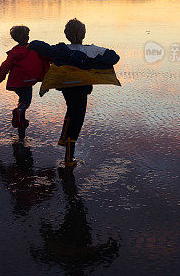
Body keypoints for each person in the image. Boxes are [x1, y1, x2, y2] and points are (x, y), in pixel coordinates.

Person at [29, 18, 120, 167]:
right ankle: (69, 159)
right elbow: (114, 57)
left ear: (66, 34)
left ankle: (64, 139)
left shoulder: (62, 50)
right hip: (82, 90)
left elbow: (40, 47)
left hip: (67, 88)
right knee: (78, 120)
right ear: (83, 34)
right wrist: (91, 62)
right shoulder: (92, 50)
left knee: (71, 110)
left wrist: (29, 45)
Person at [0, 25, 49, 141]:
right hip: (28, 81)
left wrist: (0, 78)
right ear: (27, 37)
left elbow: (5, 66)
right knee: (26, 101)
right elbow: (46, 59)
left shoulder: (14, 52)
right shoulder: (34, 49)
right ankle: (20, 112)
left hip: (17, 82)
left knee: (22, 99)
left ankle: (21, 120)